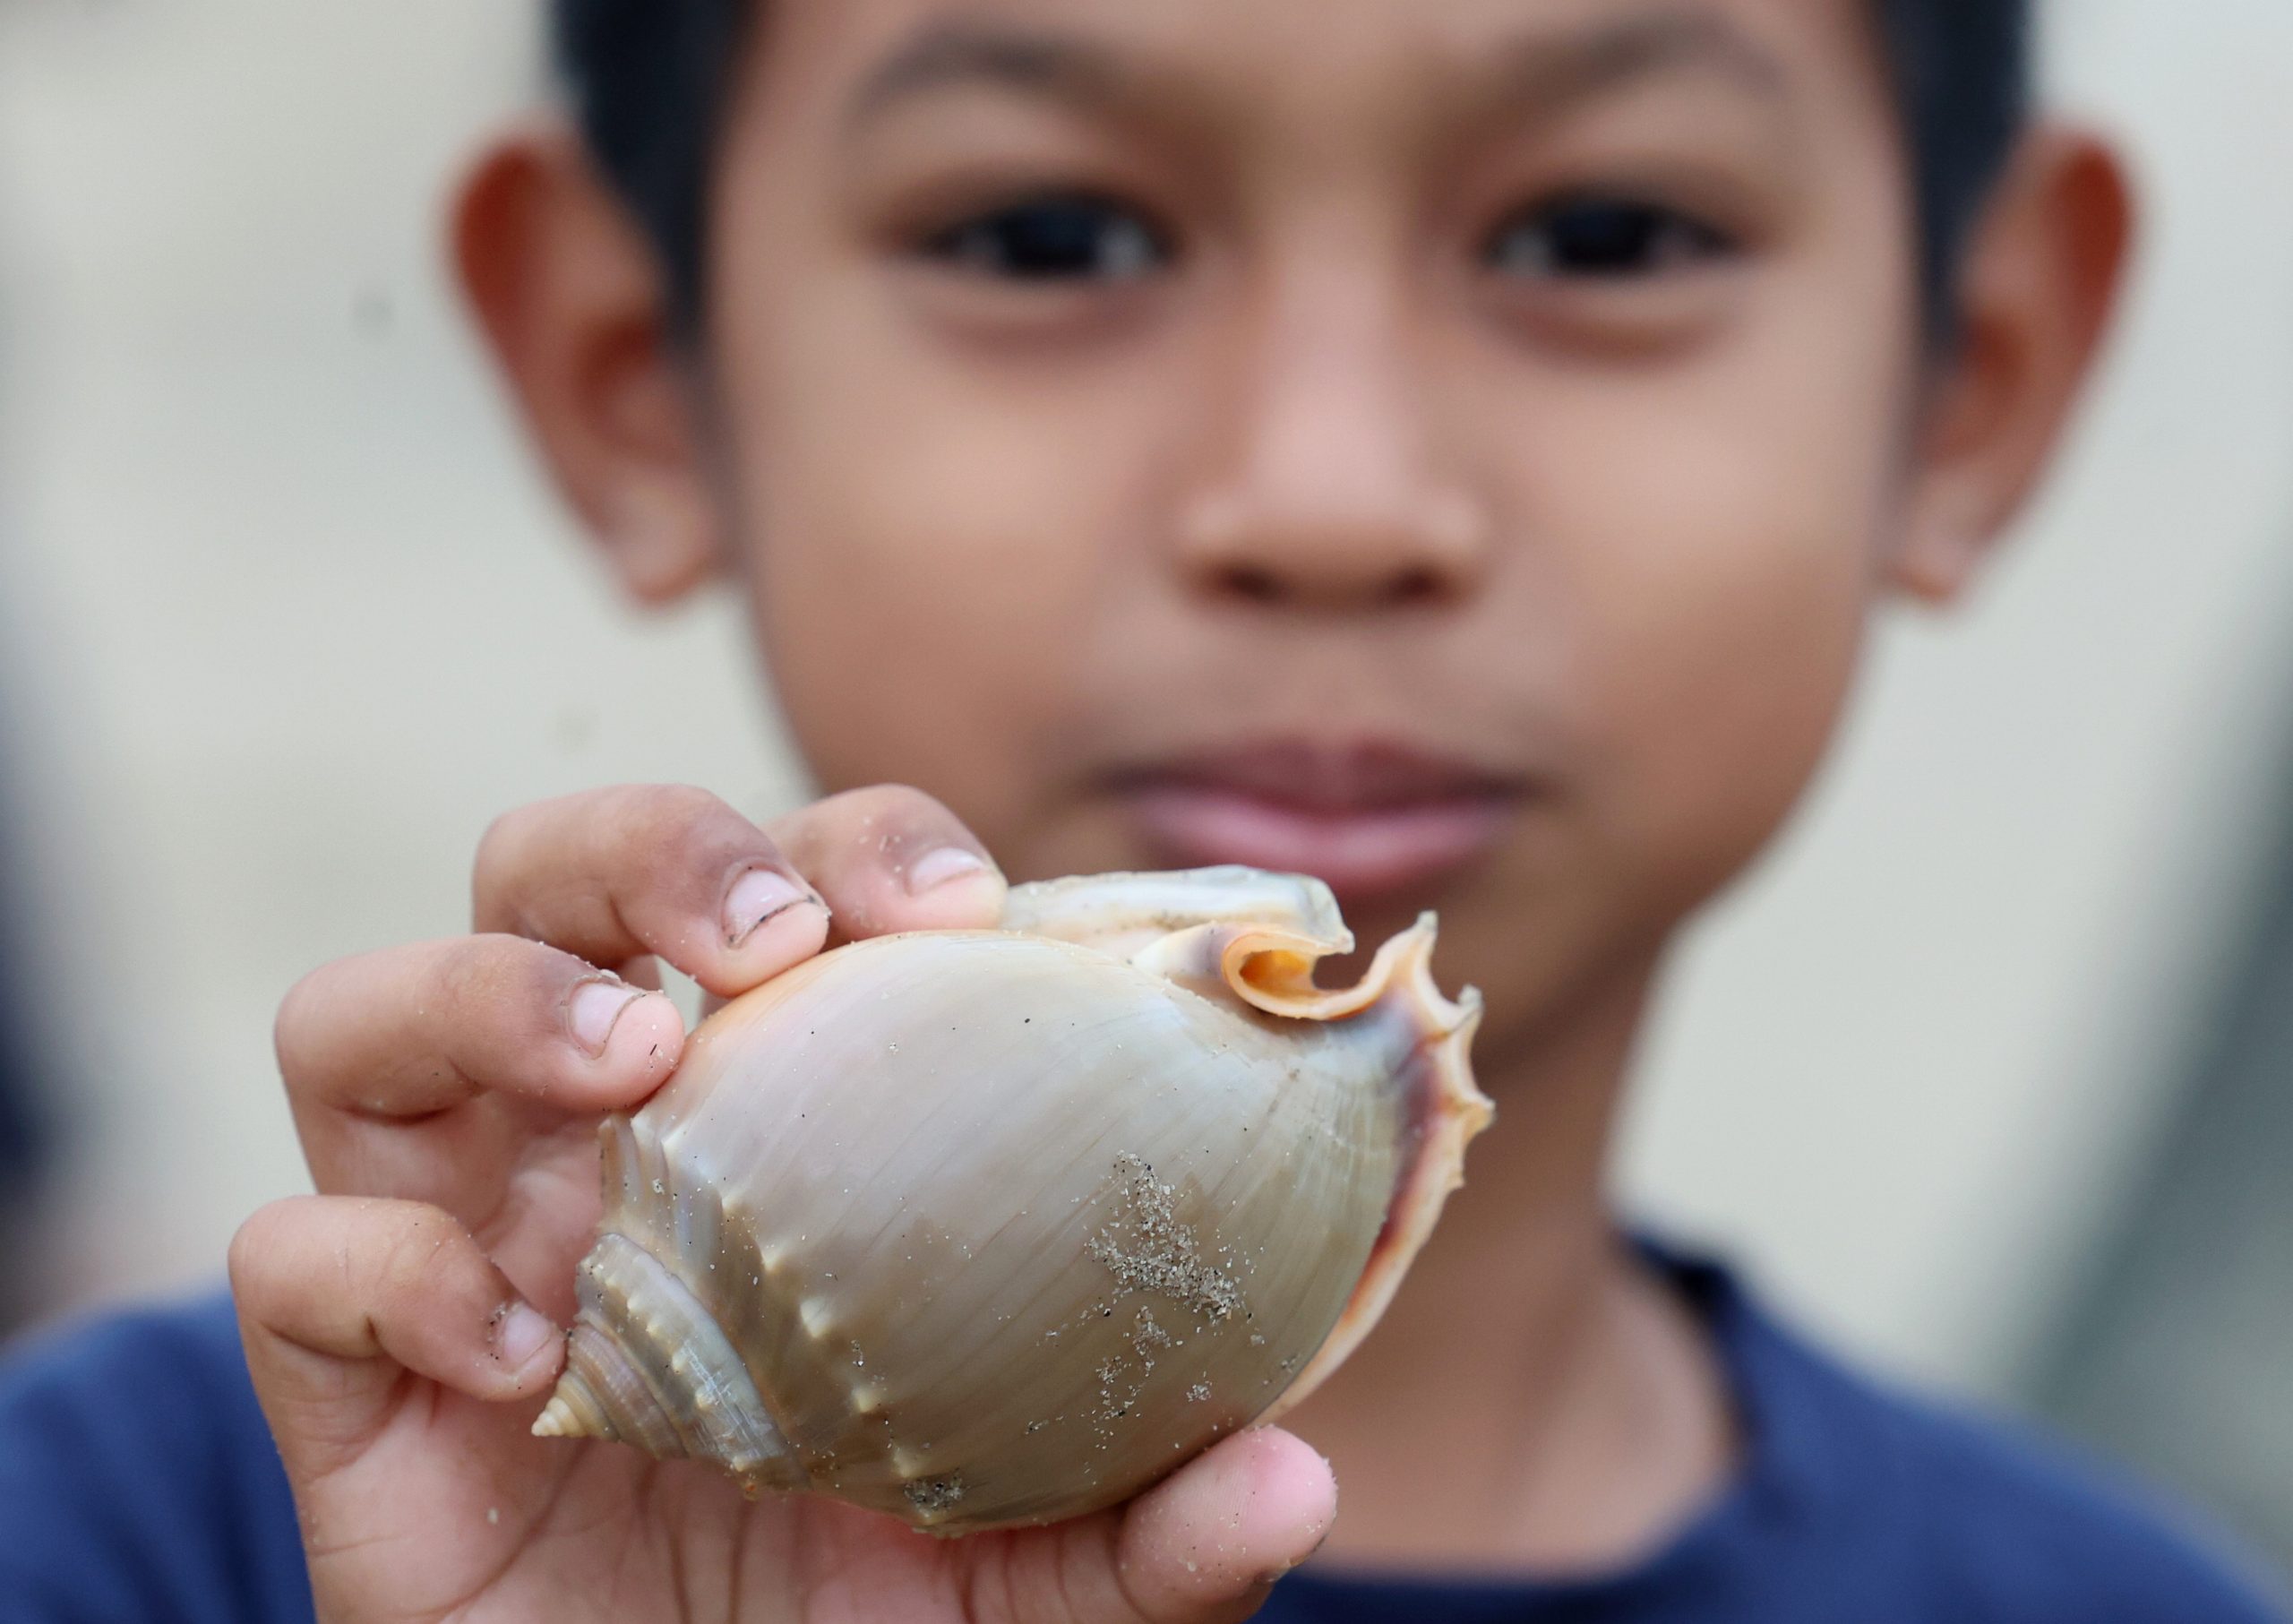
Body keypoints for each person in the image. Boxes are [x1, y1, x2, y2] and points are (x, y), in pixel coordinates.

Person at [1, 0, 2284, 1619]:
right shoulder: (146, 1538)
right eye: (1048, 239)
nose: (1322, 494)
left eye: (1601, 236)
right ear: (634, 367)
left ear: (1967, 376)